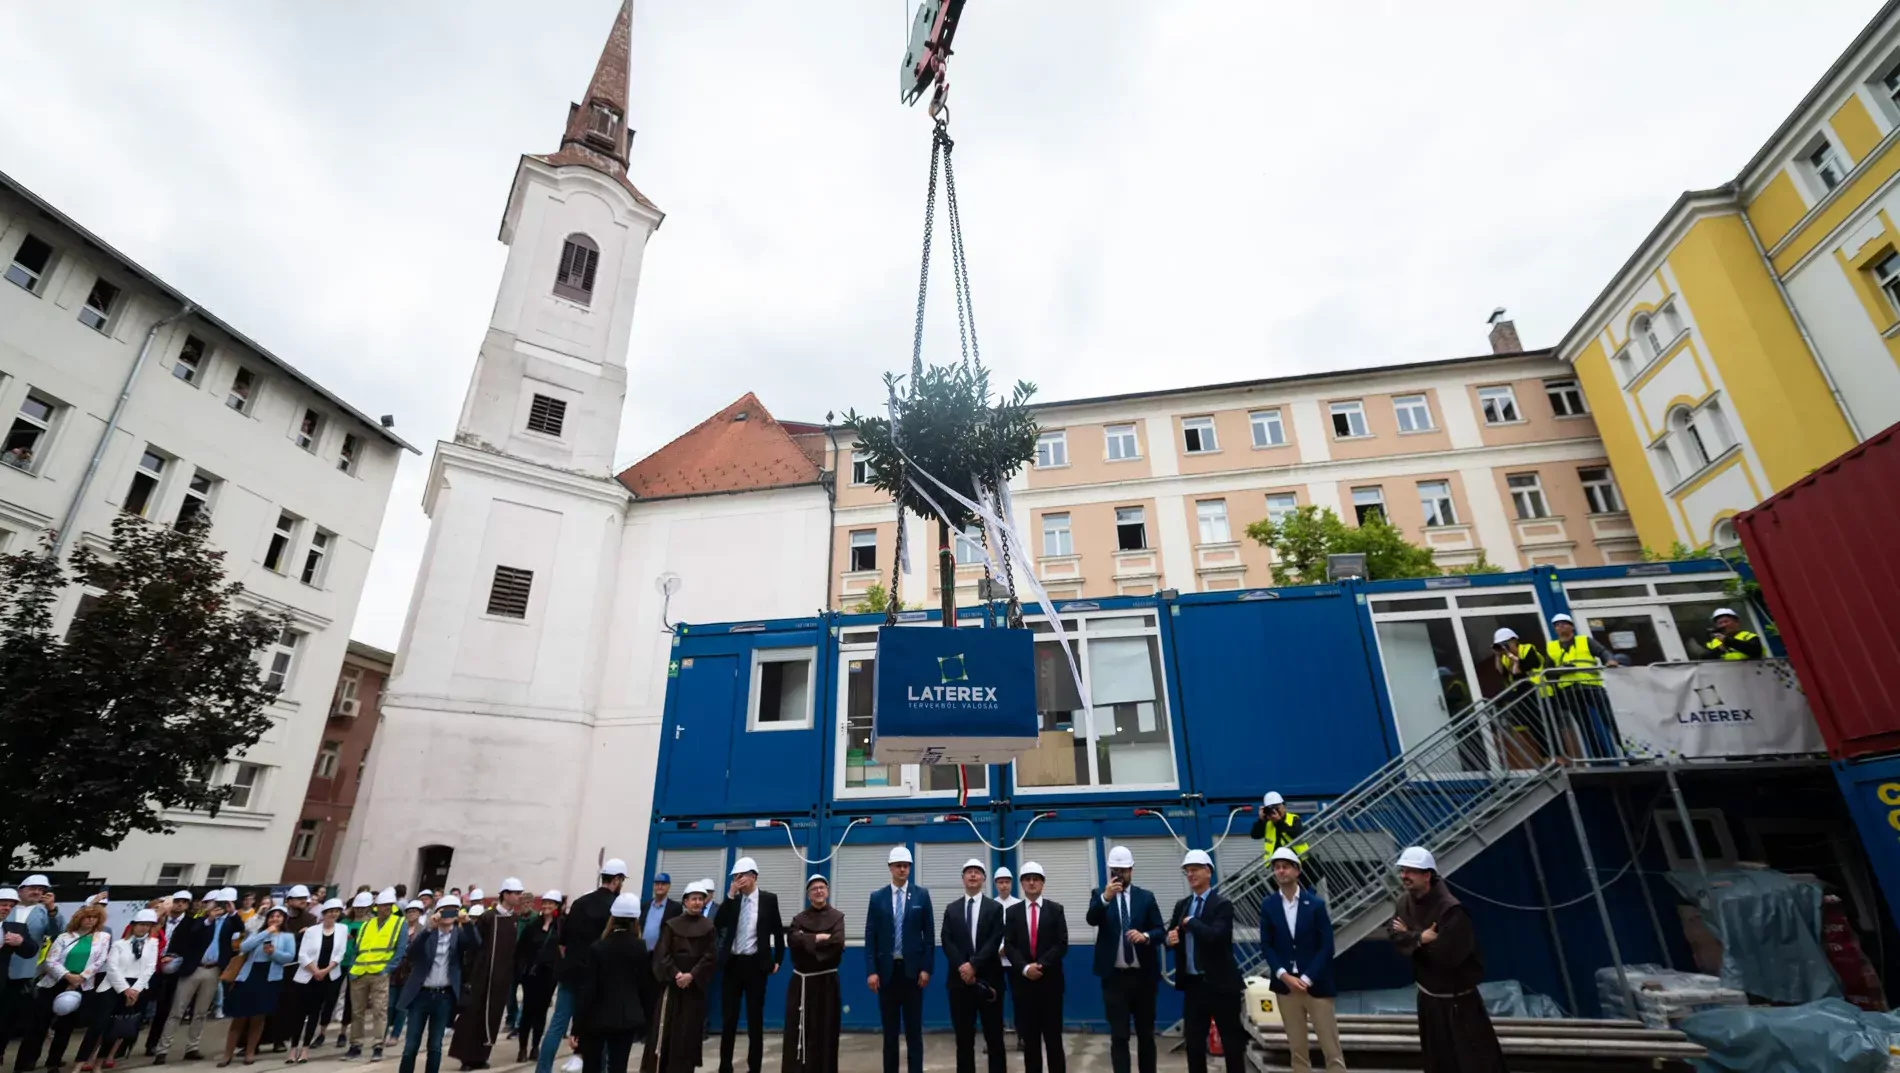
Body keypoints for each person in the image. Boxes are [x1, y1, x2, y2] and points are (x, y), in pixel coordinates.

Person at [1388, 847, 1505, 1073]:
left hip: (1457, 1003)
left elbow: (1449, 955)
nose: (1404, 876)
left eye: (1411, 871)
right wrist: (1420, 937)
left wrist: (1411, 936)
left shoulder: (1451, 909)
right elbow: (1395, 935)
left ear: (1427, 875)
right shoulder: (1404, 902)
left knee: (1471, 1060)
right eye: (1403, 870)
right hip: (1428, 999)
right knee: (1438, 1059)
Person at [1258, 849, 1344, 1073]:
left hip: (1315, 985)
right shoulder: (1268, 905)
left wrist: (1307, 977)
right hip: (1286, 987)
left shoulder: (1315, 904)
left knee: (1330, 1047)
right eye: (1276, 867)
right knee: (1297, 1049)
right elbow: (1266, 944)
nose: (1281, 871)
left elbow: (1327, 946)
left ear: (1297, 870)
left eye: (1286, 866)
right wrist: (1283, 975)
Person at [541, 860, 626, 1073]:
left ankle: (542, 1070)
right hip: (597, 978)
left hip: (570, 973)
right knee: (599, 1029)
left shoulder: (579, 903)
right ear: (616, 880)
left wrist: (572, 961)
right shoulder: (616, 907)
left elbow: (562, 943)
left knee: (557, 1026)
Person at [1087, 847, 1164, 1073]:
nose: (1119, 875)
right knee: (1119, 1036)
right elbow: (1092, 919)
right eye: (1115, 870)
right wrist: (1106, 897)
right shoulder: (1099, 895)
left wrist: (1146, 936)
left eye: (1123, 870)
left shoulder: (1146, 898)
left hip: (1143, 978)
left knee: (1146, 1035)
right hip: (1114, 979)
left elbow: (1160, 930)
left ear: (1131, 869)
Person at [1167, 849, 1245, 1073]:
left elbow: (1215, 937)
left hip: (1221, 984)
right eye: (1187, 871)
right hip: (1194, 985)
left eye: (1194, 870)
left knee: (1231, 1042)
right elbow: (1170, 933)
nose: (1190, 875)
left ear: (1208, 871)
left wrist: (1191, 922)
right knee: (1194, 1043)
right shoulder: (1182, 905)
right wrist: (1169, 938)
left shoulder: (1222, 905)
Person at [16, 902, 112, 1073]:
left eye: (94, 917)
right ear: (79, 918)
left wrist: (80, 978)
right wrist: (67, 976)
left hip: (81, 984)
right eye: (87, 917)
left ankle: (53, 1062)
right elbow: (50, 961)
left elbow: (100, 961)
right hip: (55, 981)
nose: (90, 920)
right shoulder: (64, 937)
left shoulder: (103, 938)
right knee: (39, 1024)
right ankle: (27, 1061)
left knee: (65, 1027)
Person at [154, 888, 242, 1064]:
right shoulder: (199, 920)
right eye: (217, 903)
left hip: (213, 969)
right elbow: (193, 934)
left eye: (224, 904)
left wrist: (233, 913)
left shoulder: (229, 922)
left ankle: (192, 1047)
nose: (220, 907)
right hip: (193, 968)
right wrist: (209, 919)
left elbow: (241, 928)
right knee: (177, 1010)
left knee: (201, 1011)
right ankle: (162, 1049)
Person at [864, 847, 932, 1073]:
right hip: (887, 974)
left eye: (906, 865)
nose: (902, 869)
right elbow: (870, 937)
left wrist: (926, 969)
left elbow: (929, 936)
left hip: (912, 974)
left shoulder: (922, 895)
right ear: (890, 868)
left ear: (910, 868)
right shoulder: (877, 897)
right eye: (898, 865)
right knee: (890, 1033)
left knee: (914, 1032)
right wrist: (872, 971)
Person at [713, 859, 783, 1073]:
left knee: (755, 1019)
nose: (738, 880)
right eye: (735, 877)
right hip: (733, 964)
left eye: (741, 876)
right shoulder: (733, 901)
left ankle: (754, 1067)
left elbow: (778, 932)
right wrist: (730, 894)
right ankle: (725, 1065)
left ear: (753, 876)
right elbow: (719, 923)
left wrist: (778, 959)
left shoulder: (769, 900)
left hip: (755, 965)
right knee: (729, 1018)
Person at [396, 898, 481, 1073]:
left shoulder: (459, 934)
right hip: (421, 995)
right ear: (437, 912)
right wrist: (428, 928)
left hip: (444, 997)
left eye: (453, 910)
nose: (448, 914)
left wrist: (467, 924)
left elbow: (476, 944)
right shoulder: (428, 933)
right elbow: (412, 953)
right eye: (444, 910)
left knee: (435, 1045)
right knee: (411, 1045)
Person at [450, 879, 525, 1071]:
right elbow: (474, 945)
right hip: (482, 977)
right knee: (474, 1017)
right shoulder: (488, 917)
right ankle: (467, 1058)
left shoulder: (513, 919)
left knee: (492, 1017)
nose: (519, 896)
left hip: (501, 978)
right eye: (516, 893)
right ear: (505, 894)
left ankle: (481, 1057)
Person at [641, 880, 715, 1073]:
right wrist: (676, 974)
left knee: (687, 1032)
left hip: (694, 989)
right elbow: (662, 954)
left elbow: (710, 956)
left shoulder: (708, 927)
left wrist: (692, 975)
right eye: (693, 899)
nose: (697, 902)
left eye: (700, 899)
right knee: (666, 1030)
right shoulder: (672, 925)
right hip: (672, 987)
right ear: (685, 902)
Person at [569, 893, 648, 1073]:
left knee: (592, 1065)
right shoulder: (640, 948)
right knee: (618, 1066)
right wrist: (646, 1022)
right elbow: (645, 988)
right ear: (636, 919)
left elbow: (588, 990)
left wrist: (577, 1027)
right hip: (627, 1019)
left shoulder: (598, 948)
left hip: (597, 1018)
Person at [940, 859, 1004, 1073]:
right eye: (969, 872)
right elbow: (946, 941)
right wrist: (963, 967)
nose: (973, 875)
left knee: (994, 1038)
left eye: (977, 872)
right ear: (963, 879)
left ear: (984, 879)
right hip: (959, 983)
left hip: (989, 981)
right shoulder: (952, 909)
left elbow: (995, 940)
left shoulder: (994, 908)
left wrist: (974, 966)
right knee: (964, 1039)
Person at [1003, 861, 1067, 1073]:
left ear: (1042, 883)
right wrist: (1024, 968)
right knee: (1030, 1042)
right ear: (1021, 883)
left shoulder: (1056, 910)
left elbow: (1061, 944)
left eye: (1036, 879)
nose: (1032, 883)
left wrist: (1040, 965)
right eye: (1027, 879)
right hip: (1023, 986)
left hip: (1050, 984)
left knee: (1053, 1040)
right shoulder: (1012, 912)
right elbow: (1009, 945)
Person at [78, 907, 159, 1070]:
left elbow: (150, 968)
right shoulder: (119, 944)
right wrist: (125, 989)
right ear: (133, 925)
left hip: (136, 988)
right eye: (141, 924)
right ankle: (79, 1064)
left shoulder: (152, 944)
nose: (144, 928)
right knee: (97, 1027)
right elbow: (112, 967)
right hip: (112, 987)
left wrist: (135, 990)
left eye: (148, 925)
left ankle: (99, 1064)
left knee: (114, 1030)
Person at [220, 906, 297, 1067]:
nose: (275, 919)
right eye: (272, 916)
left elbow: (289, 957)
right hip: (249, 976)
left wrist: (273, 953)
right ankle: (227, 1054)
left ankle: (250, 1052)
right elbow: (244, 947)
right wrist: (266, 932)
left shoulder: (287, 937)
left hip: (269, 978)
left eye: (279, 916)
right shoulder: (258, 933)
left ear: (284, 919)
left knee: (258, 1018)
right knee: (239, 1017)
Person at [781, 876, 842, 1073]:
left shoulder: (837, 917)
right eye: (814, 888)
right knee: (798, 1031)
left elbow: (836, 944)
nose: (818, 891)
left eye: (822, 887)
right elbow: (792, 941)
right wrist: (816, 938)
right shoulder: (799, 919)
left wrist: (806, 942)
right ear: (808, 894)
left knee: (826, 1030)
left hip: (827, 984)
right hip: (802, 984)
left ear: (827, 890)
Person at [1545, 613, 1617, 758]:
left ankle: (1632, 755)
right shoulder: (1552, 647)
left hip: (1592, 687)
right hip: (1569, 691)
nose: (1561, 626)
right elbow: (1547, 672)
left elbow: (1602, 652)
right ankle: (1600, 758)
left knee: (1610, 720)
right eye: (1557, 625)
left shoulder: (1585, 641)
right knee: (1586, 727)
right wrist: (1562, 670)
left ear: (1571, 626)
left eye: (1564, 623)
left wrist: (1610, 661)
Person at [286, 899, 349, 1065]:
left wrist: (325, 970)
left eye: (336, 911)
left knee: (315, 1013)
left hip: (327, 976)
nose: (333, 914)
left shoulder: (342, 929)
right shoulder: (312, 931)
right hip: (307, 976)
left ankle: (306, 1048)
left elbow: (340, 953)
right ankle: (293, 1048)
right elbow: (303, 954)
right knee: (299, 1013)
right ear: (324, 913)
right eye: (330, 911)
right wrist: (315, 970)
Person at [345, 888, 403, 1061]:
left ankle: (378, 1045)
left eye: (388, 905)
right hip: (359, 972)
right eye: (382, 905)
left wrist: (388, 968)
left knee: (379, 1011)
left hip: (379, 972)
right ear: (377, 906)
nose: (385, 908)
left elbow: (400, 950)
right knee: (357, 1012)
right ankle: (355, 1045)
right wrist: (352, 969)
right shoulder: (366, 925)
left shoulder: (399, 923)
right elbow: (357, 949)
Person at [4, 876, 53, 1067]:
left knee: (13, 1019)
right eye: (33, 888)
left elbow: (58, 932)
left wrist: (52, 910)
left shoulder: (44, 912)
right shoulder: (8, 906)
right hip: (2, 968)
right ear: (21, 889)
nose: (37, 892)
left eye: (41, 889)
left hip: (24, 973)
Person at [140, 891, 193, 1059]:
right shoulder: (158, 921)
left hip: (172, 969)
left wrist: (176, 956)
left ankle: (153, 1043)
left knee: (164, 1008)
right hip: (150, 968)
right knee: (140, 1005)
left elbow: (191, 945)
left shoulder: (191, 923)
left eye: (184, 902)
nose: (179, 904)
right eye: (176, 901)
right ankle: (123, 1043)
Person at [264, 887, 317, 1053]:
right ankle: (257, 1040)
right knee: (266, 1005)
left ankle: (279, 1039)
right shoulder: (280, 916)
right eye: (299, 898)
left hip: (293, 968)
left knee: (286, 1007)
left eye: (304, 899)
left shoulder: (310, 919)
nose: (303, 901)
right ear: (289, 900)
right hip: (272, 964)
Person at [1493, 627, 1553, 762]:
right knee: (1535, 728)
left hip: (1540, 692)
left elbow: (1522, 668)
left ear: (1514, 640)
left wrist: (1512, 656)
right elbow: (1502, 673)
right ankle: (1546, 757)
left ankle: (1558, 756)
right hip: (1524, 695)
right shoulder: (1505, 657)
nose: (1504, 647)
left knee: (1548, 725)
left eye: (1505, 643)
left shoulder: (1528, 649)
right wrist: (1498, 655)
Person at [515, 893, 562, 1064]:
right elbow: (521, 949)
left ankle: (535, 1046)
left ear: (557, 905)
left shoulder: (560, 926)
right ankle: (522, 1048)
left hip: (549, 976)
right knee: (527, 1011)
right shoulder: (533, 925)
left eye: (551, 903)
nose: (547, 906)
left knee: (541, 1013)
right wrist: (521, 971)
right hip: (531, 975)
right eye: (545, 903)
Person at [637, 878, 678, 1030]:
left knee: (656, 995)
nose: (659, 887)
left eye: (663, 884)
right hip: (644, 955)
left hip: (660, 957)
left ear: (668, 887)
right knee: (642, 992)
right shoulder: (646, 906)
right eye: (657, 884)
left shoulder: (674, 908)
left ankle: (652, 1030)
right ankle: (640, 1029)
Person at [386, 902, 427, 1050]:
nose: (412, 913)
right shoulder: (399, 928)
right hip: (395, 969)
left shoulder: (422, 930)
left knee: (402, 1005)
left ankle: (395, 1034)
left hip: (410, 971)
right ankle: (384, 1032)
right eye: (409, 911)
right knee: (389, 1004)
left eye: (415, 911)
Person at [991, 868, 1021, 1046]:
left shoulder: (1019, 905)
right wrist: (997, 949)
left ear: (1011, 884)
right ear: (995, 884)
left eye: (1007, 882)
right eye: (1000, 882)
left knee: (1019, 999)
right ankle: (994, 1038)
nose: (1004, 885)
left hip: (1015, 961)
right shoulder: (990, 905)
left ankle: (1022, 1036)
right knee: (994, 999)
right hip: (994, 961)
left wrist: (1008, 949)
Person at [1249, 793, 1308, 863]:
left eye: (1277, 808)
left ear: (1283, 806)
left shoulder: (1293, 818)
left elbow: (1296, 834)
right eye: (1271, 809)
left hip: (1299, 860)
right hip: (1277, 863)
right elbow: (1255, 835)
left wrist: (1279, 821)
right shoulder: (1267, 822)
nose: (1274, 811)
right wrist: (1260, 819)